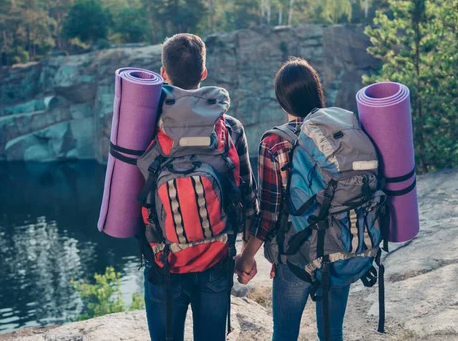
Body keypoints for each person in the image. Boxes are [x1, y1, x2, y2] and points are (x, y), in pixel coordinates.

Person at [139, 33, 257, 341]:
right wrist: (246, 255)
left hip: (162, 260)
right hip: (216, 258)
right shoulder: (228, 127)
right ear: (203, 74)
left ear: (163, 74)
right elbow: (249, 200)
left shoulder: (145, 128)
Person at [235, 58, 351, 341]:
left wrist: (246, 256)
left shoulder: (274, 143)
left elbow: (269, 214)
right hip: (339, 245)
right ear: (316, 92)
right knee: (332, 331)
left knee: (285, 333)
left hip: (295, 256)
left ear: (281, 100)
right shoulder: (342, 131)